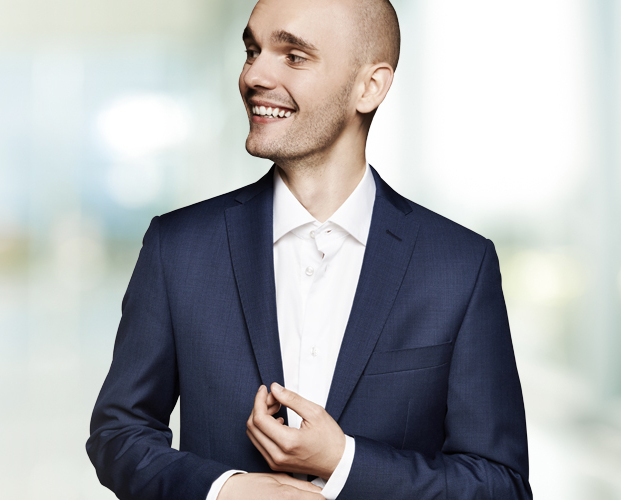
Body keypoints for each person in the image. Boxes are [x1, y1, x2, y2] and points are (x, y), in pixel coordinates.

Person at [86, 0, 532, 498]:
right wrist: (227, 491)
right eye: (252, 51)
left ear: (370, 87)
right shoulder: (178, 248)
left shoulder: (460, 266)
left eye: (294, 56)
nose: (254, 75)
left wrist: (343, 461)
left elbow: (502, 485)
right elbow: (118, 434)